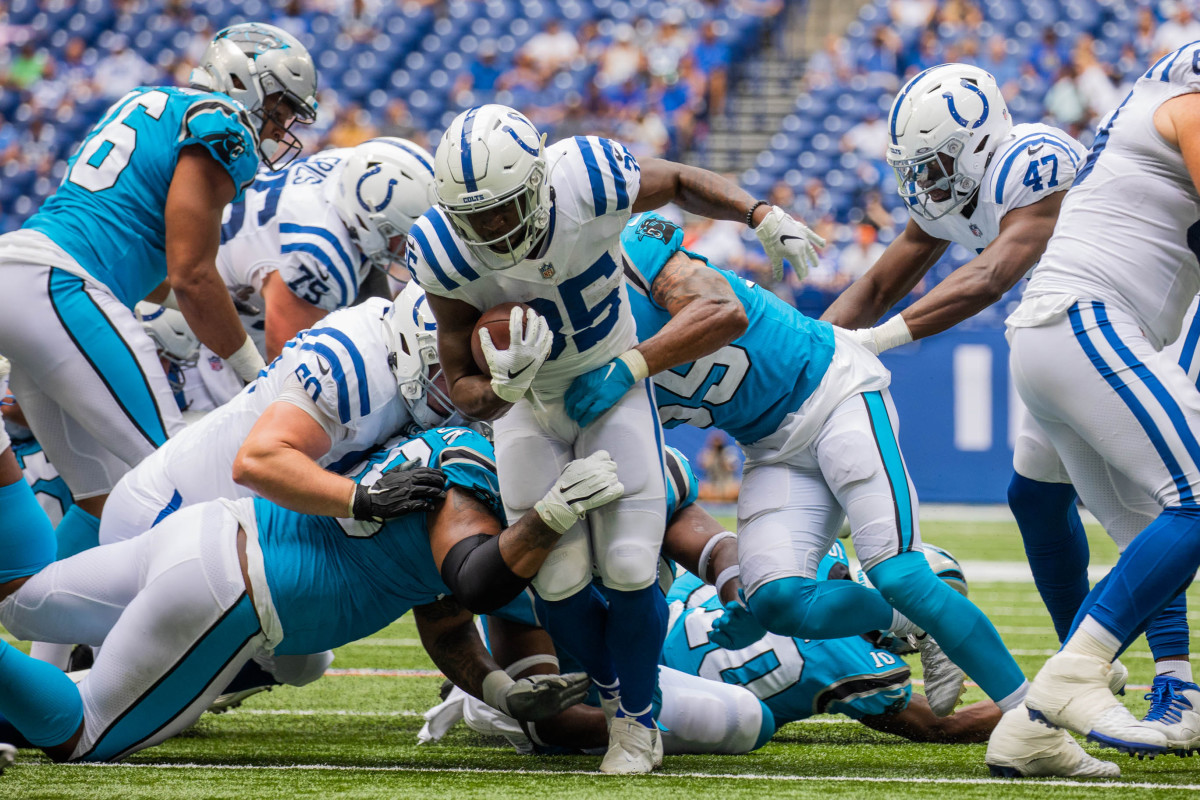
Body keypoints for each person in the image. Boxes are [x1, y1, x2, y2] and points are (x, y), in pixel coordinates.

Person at [564, 210, 1118, 778]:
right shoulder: (569, 363)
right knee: (774, 602)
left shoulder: (634, 257)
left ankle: (1036, 726)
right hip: (770, 445)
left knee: (898, 570)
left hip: (833, 389)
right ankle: (920, 622)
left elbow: (721, 310)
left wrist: (630, 365)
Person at [405, 103, 823, 773]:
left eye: (504, 207)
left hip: (615, 377)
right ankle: (620, 702)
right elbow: (460, 382)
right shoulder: (439, 250)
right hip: (530, 405)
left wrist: (758, 213)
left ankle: (636, 722)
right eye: (475, 216)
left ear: (540, 182)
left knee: (630, 563)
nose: (491, 227)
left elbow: (680, 181)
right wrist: (501, 390)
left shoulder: (587, 176)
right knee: (560, 573)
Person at [821, 63, 1198, 751]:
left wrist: (878, 340)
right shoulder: (955, 190)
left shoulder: (1034, 159)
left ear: (978, 138)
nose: (926, 182)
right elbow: (880, 279)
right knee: (1050, 498)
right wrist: (813, 346)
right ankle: (1089, 665)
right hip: (1081, 325)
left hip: (1110, 323)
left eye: (935, 164)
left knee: (1168, 506)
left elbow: (994, 273)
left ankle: (1163, 680)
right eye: (918, 168)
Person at [0, 426, 618, 763]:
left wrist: (501, 691)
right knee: (84, 736)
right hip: (234, 589)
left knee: (18, 598)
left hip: (209, 529)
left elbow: (448, 626)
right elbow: (476, 582)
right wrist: (551, 515)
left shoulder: (450, 450)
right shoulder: (475, 485)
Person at [0, 23, 318, 589]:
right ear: (243, 79)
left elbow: (145, 257)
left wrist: (204, 300)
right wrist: (255, 376)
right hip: (61, 287)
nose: (279, 125)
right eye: (276, 105)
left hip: (27, 273)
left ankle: (60, 668)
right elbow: (192, 274)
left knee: (103, 500)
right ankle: (188, 645)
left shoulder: (153, 101)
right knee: (176, 477)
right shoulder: (222, 125)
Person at [1002, 40, 1200, 761]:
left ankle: (1030, 731)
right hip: (1086, 323)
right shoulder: (1186, 102)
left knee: (1159, 522)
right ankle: (1078, 672)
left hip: (1068, 333)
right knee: (1197, 496)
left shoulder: (1152, 109)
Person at [203, 136, 437, 403]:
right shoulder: (319, 253)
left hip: (236, 272)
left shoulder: (354, 170)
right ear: (370, 220)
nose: (408, 247)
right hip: (209, 334)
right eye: (402, 236)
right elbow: (288, 375)